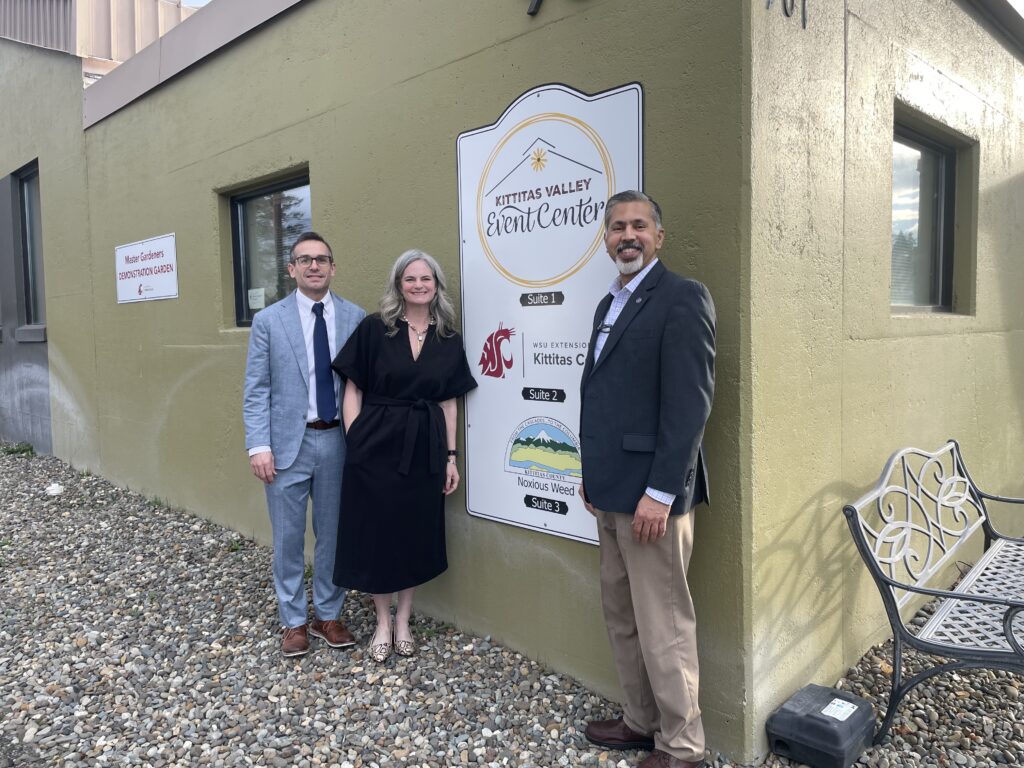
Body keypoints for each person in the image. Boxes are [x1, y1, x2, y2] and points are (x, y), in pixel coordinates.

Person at [578, 191, 716, 768]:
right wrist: (592, 476)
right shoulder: (608, 303)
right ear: (606, 239)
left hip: (651, 500)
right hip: (610, 493)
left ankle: (683, 746)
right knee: (622, 616)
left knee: (664, 625)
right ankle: (640, 721)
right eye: (616, 227)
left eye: (638, 225)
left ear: (659, 236)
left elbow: (690, 407)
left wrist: (659, 493)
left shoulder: (681, 298)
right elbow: (606, 398)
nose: (627, 235)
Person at [331, 249, 477, 662]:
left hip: (424, 446)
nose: (418, 285)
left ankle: (403, 620)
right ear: (398, 284)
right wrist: (355, 437)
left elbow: (449, 402)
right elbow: (352, 389)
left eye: (425, 279)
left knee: (415, 531)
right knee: (378, 532)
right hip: (375, 442)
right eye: (410, 279)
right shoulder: (375, 329)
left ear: (436, 286)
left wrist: (451, 457)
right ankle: (381, 620)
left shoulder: (447, 337)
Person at [243, 231, 366, 657]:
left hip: (337, 442)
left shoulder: (356, 318)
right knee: (289, 538)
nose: (314, 266)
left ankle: (327, 615)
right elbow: (257, 388)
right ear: (291, 269)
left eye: (322, 259)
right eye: (304, 259)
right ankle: (293, 620)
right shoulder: (269, 321)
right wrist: (259, 445)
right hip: (285, 447)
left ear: (333, 267)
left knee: (332, 534)